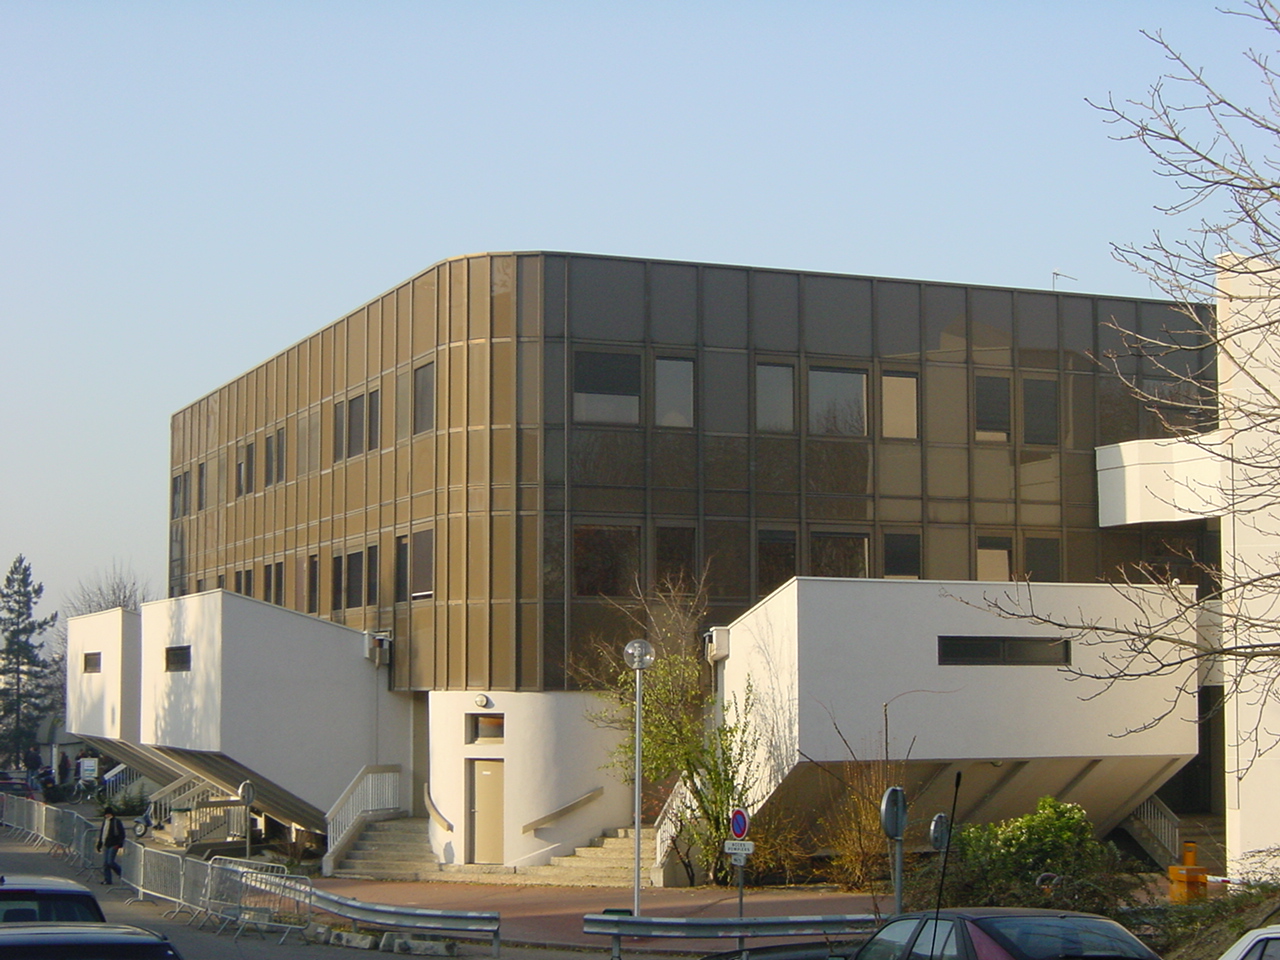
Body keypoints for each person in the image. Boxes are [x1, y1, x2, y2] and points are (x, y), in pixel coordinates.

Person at [96, 807, 125, 885]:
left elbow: (122, 833)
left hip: (114, 844)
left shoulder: (116, 822)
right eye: (106, 814)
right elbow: (102, 834)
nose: (107, 816)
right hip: (106, 844)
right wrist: (99, 844)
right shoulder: (105, 822)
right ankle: (107, 880)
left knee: (110, 862)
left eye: (108, 814)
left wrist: (120, 844)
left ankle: (122, 873)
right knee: (105, 863)